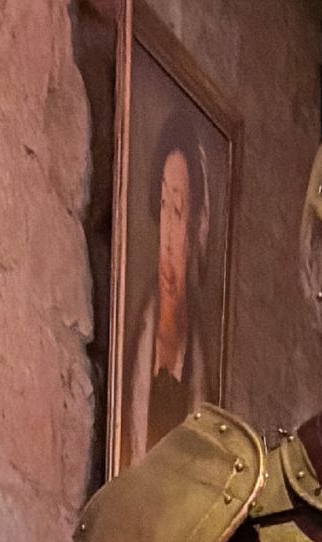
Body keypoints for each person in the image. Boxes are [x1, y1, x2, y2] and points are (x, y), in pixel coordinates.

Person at [121, 123, 212, 469]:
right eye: (163, 205)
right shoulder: (134, 338)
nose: (169, 236)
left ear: (197, 227)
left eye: (179, 210)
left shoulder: (200, 360)